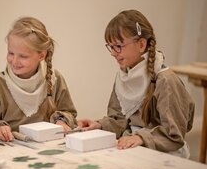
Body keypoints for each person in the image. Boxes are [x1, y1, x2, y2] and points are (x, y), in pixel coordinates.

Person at [78, 9, 194, 158]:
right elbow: (119, 120)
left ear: (141, 44)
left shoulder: (165, 81)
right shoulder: (123, 76)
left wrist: (140, 138)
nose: (113, 53)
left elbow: (174, 135)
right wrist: (99, 125)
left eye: (118, 46)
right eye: (110, 47)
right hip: (133, 147)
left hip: (164, 153)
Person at [0, 16, 77, 142]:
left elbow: (70, 113)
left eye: (23, 56)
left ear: (41, 56)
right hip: (8, 151)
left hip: (48, 148)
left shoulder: (55, 79)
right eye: (11, 53)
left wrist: (62, 121)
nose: (15, 61)